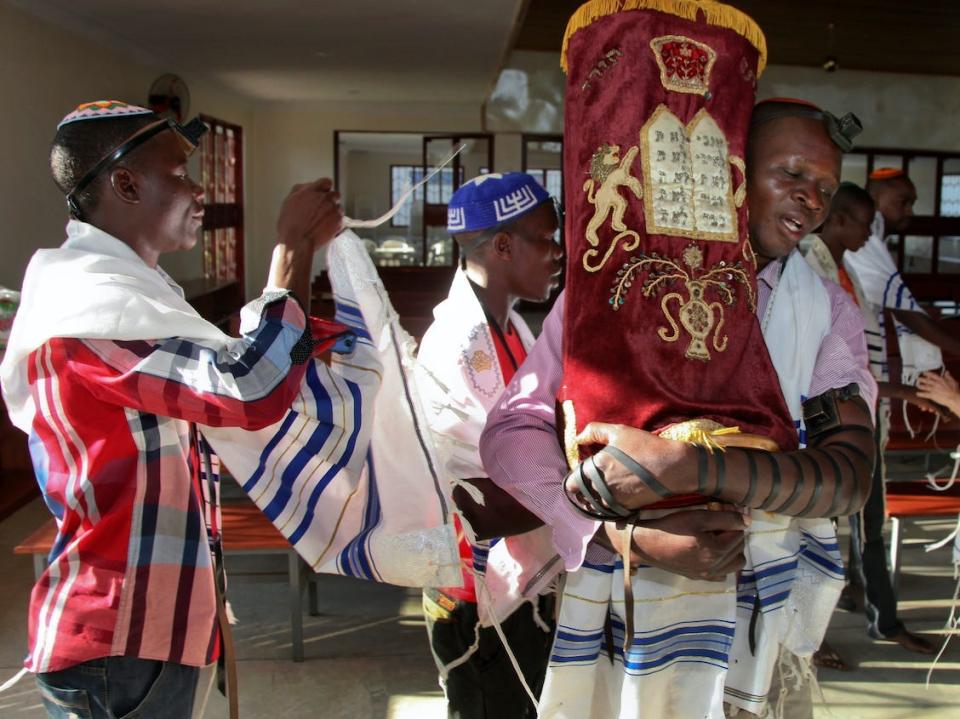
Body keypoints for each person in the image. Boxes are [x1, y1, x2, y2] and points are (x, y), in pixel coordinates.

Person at [480, 96, 877, 719]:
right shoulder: (609, 285)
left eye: (825, 188)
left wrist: (687, 469)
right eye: (793, 174)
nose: (813, 200)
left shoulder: (825, 312)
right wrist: (619, 533)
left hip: (756, 614)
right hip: (620, 600)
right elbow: (511, 430)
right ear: (730, 171)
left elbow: (849, 477)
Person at [0, 100, 345, 718]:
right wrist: (290, 247)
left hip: (151, 630)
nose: (198, 187)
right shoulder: (86, 315)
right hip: (119, 637)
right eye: (179, 171)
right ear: (125, 183)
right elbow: (250, 388)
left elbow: (236, 372)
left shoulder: (125, 297)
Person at [416, 172, 562, 718]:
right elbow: (484, 482)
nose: (557, 255)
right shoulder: (456, 341)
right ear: (503, 246)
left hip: (519, 576)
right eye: (546, 240)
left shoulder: (513, 329)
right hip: (475, 590)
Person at [840, 168, 960, 653]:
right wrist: (919, 393)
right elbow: (846, 371)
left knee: (863, 520)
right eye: (902, 201)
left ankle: (870, 608)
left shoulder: (852, 275)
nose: (905, 214)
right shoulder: (834, 273)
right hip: (844, 419)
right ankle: (881, 620)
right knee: (857, 523)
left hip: (865, 414)